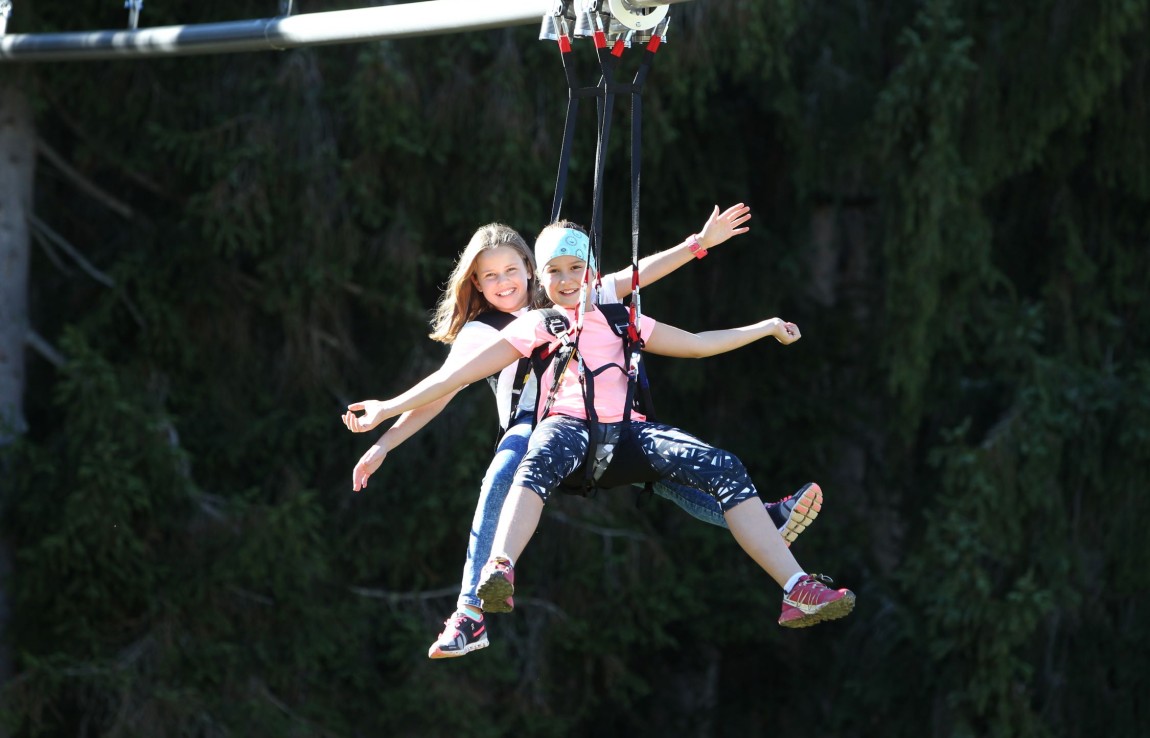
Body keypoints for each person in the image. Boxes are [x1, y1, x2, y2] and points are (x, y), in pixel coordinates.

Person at [343, 223, 855, 632]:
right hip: (547, 425)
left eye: (512, 271)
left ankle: (794, 583)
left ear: (530, 272)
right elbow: (448, 382)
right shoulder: (530, 323)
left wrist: (707, 257)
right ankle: (480, 594)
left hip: (621, 430)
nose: (506, 283)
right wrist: (386, 419)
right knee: (516, 462)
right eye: (491, 277)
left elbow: (656, 298)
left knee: (707, 466)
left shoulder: (606, 308)